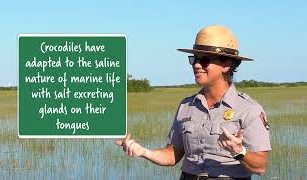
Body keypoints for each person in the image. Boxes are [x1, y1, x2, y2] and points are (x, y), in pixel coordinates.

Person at [115, 25, 271, 180]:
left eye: (205, 60)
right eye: (194, 59)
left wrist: (239, 151)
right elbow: (172, 155)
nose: (197, 65)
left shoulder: (249, 109)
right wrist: (143, 151)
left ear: (227, 64)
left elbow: (261, 166)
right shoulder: (186, 106)